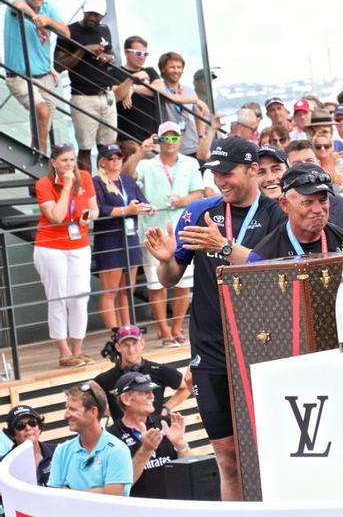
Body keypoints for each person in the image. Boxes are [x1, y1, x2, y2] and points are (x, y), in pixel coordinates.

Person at [143, 137, 285, 500]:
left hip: (263, 345)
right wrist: (165, 260)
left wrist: (222, 246)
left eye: (228, 172)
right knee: (226, 457)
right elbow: (172, 277)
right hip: (211, 348)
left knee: (272, 451)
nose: (220, 180)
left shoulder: (276, 214)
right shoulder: (199, 212)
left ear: (253, 169)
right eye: (214, 173)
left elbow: (272, 269)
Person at [134, 122, 205, 346]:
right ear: (159, 140)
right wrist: (138, 152)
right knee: (156, 285)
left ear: (180, 141)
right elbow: (127, 176)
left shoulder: (190, 162)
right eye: (166, 138)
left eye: (175, 138)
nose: (171, 142)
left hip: (183, 230)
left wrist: (183, 201)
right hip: (153, 232)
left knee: (184, 283)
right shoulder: (146, 164)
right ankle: (164, 332)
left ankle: (176, 328)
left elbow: (198, 193)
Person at [34, 144, 98, 367]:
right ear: (53, 162)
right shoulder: (43, 184)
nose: (70, 164)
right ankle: (64, 352)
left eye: (72, 160)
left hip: (79, 244)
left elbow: (95, 209)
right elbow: (56, 216)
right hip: (51, 246)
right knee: (58, 298)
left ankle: (78, 350)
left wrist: (87, 216)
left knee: (80, 298)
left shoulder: (86, 177)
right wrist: (68, 186)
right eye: (64, 160)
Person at [54, 0, 119, 172]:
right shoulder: (70, 32)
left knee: (108, 147)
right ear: (83, 10)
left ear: (102, 15)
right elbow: (59, 66)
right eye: (89, 13)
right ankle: (87, 191)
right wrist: (84, 50)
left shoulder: (104, 29)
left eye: (96, 15)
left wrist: (108, 57)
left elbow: (111, 53)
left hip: (106, 95)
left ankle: (107, 188)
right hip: (83, 96)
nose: (92, 17)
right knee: (85, 148)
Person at [3, 0, 68, 153]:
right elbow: (18, 6)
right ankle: (42, 157)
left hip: (45, 77)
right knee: (42, 111)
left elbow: (66, 33)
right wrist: (37, 20)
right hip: (20, 77)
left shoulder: (48, 8)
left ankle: (36, 150)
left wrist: (47, 21)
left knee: (43, 120)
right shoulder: (15, 2)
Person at [247, 163, 343, 260]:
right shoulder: (264, 255)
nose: (318, 210)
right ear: (284, 204)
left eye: (323, 200)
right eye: (307, 202)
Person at [91, 143, 152, 331]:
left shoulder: (126, 179)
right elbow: (100, 210)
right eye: (111, 158)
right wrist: (126, 210)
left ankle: (127, 329)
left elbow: (142, 199)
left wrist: (148, 207)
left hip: (130, 236)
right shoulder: (97, 181)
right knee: (110, 291)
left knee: (127, 289)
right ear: (102, 162)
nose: (116, 161)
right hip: (110, 239)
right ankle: (115, 334)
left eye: (119, 157)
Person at [107, 372, 192, 497]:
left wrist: (180, 444)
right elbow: (122, 486)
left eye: (151, 391)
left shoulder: (165, 423)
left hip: (174, 506)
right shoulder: (111, 437)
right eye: (143, 392)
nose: (151, 396)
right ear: (125, 399)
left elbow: (190, 471)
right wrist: (145, 450)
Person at [284, 140, 343, 250]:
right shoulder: (281, 212)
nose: (305, 168)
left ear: (319, 163)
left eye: (310, 161)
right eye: (297, 164)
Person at [47, 380, 132, 496]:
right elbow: (53, 498)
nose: (65, 415)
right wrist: (102, 490)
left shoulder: (117, 450)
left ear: (93, 412)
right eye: (66, 409)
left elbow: (113, 498)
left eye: (72, 409)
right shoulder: (62, 451)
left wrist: (70, 493)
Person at [93, 324, 191, 425]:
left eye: (134, 343)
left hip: (156, 432)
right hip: (122, 436)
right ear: (118, 347)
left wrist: (166, 408)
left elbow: (187, 387)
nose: (131, 350)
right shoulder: (106, 378)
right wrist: (111, 413)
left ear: (142, 344)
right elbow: (84, 398)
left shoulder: (160, 370)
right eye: (126, 345)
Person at [113, 35, 162, 151]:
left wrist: (133, 88)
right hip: (127, 136)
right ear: (126, 52)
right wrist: (132, 78)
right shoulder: (115, 72)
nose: (142, 57)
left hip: (152, 135)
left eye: (145, 54)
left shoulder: (149, 71)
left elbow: (160, 89)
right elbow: (117, 95)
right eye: (139, 53)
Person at [158, 52, 208, 159]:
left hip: (192, 146)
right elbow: (171, 97)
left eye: (179, 67)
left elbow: (199, 115)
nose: (176, 71)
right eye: (172, 67)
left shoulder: (189, 90)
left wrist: (201, 137)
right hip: (171, 148)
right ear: (163, 69)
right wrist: (195, 100)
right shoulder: (159, 89)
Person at [1, 405, 55, 487]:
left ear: (39, 427)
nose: (28, 427)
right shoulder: (4, 465)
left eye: (32, 422)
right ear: (12, 434)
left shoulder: (58, 452)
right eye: (20, 425)